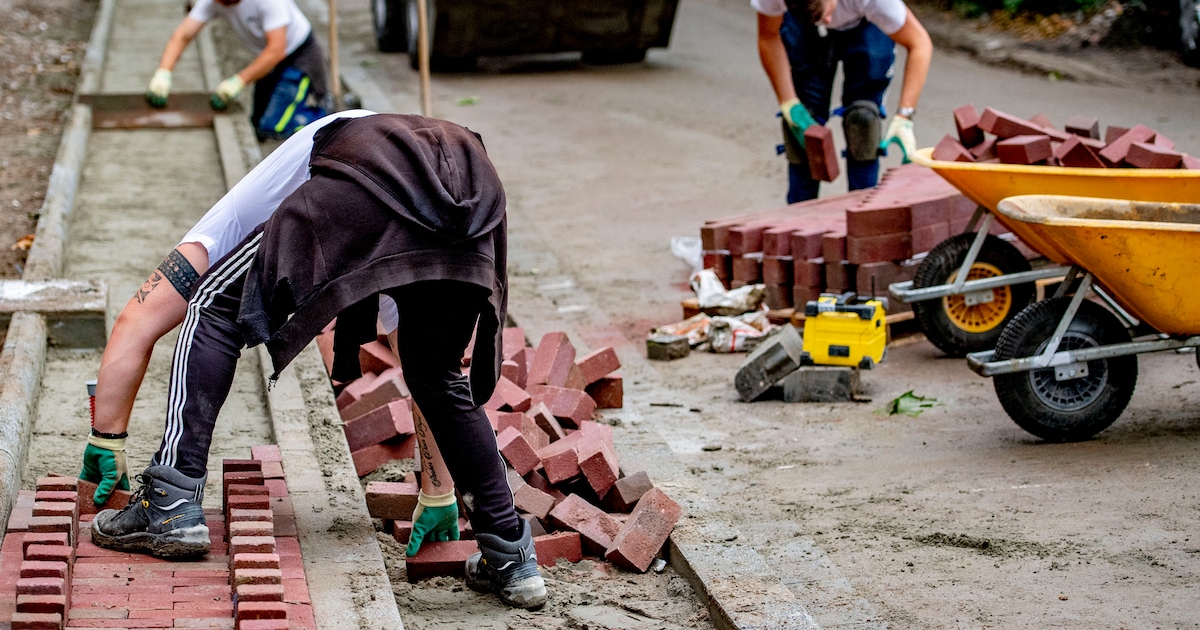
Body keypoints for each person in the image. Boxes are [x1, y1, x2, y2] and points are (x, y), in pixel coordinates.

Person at [84, 114, 547, 610]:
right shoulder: (404, 176)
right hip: (477, 197)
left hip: (391, 190)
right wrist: (436, 491)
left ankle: (170, 500)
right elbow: (431, 374)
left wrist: (105, 436)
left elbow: (140, 316)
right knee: (435, 368)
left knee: (213, 304)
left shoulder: (285, 189)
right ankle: (513, 557)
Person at [754, 0, 932, 202]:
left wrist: (904, 117)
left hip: (866, 22)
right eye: (823, 19)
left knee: (863, 120)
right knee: (804, 126)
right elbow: (768, 37)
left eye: (827, 14)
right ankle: (799, 222)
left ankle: (864, 217)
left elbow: (919, 43)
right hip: (804, 27)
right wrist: (789, 103)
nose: (829, 21)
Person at [144, 0, 329, 137]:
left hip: (300, 59)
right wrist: (163, 72)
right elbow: (183, 35)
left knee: (272, 126)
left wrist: (238, 81)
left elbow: (276, 50)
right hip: (270, 61)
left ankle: (327, 120)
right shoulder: (214, 1)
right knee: (256, 122)